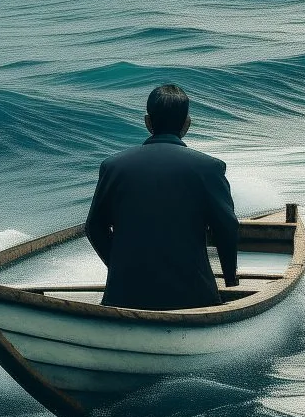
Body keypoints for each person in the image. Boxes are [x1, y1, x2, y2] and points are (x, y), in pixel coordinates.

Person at [85, 84, 239, 310]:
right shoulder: (209, 168)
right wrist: (230, 279)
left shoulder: (113, 166)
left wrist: (121, 268)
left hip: (124, 296)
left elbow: (94, 227)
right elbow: (227, 228)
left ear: (147, 122)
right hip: (192, 297)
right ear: (187, 124)